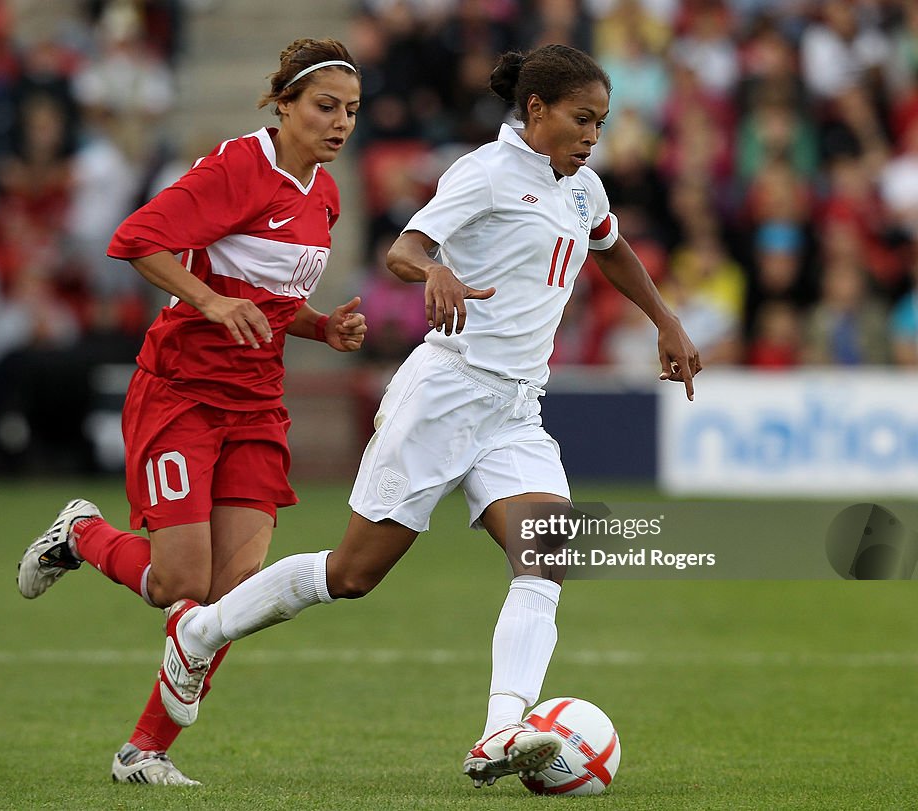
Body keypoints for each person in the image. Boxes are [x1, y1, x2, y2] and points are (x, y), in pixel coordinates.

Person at [153, 44, 701, 789]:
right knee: (351, 575)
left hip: (514, 407)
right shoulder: (483, 173)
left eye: (600, 123)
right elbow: (402, 250)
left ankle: (500, 729)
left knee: (548, 556)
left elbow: (611, 249)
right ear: (535, 110)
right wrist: (435, 268)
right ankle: (200, 630)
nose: (592, 137)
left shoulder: (584, 188)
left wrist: (664, 319)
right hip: (445, 393)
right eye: (581, 119)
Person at [15, 38, 366, 785]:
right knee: (182, 588)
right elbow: (135, 239)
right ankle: (83, 533)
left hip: (257, 402)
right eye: (326, 107)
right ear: (284, 104)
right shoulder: (241, 165)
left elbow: (269, 299)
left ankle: (144, 752)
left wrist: (320, 325)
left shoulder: (324, 193)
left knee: (233, 599)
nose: (340, 124)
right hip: (181, 391)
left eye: (352, 112)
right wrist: (207, 299)